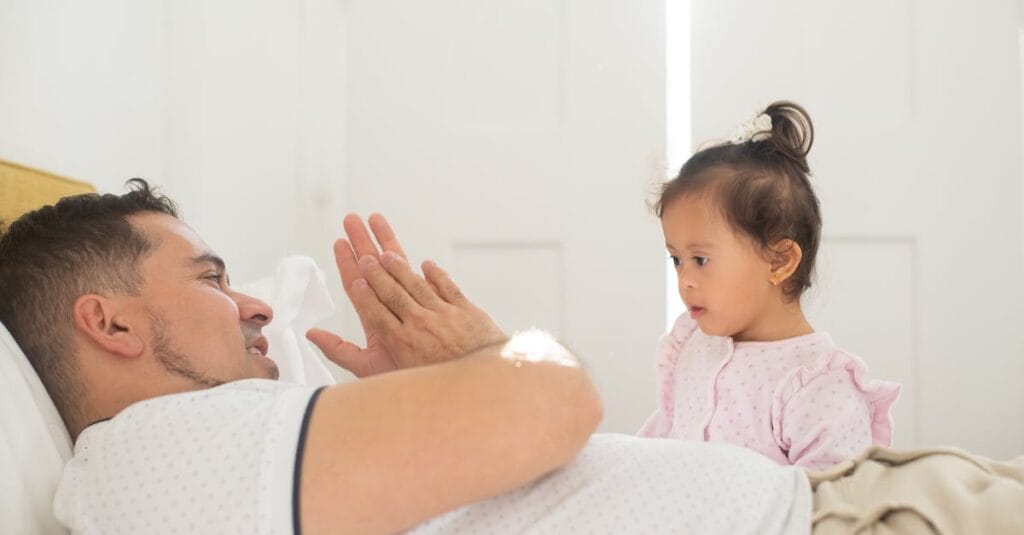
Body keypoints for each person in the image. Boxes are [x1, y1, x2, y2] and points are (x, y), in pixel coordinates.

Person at [1, 181, 1022, 534]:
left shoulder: (208, 450)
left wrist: (441, 393)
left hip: (860, 508)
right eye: (213, 277)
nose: (254, 302)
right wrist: (484, 356)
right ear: (114, 324)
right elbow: (556, 402)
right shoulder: (152, 456)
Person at [638, 101, 902, 470]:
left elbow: (831, 504)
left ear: (779, 261)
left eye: (700, 259)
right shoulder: (693, 345)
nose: (685, 280)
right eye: (676, 259)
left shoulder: (817, 386)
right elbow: (659, 443)